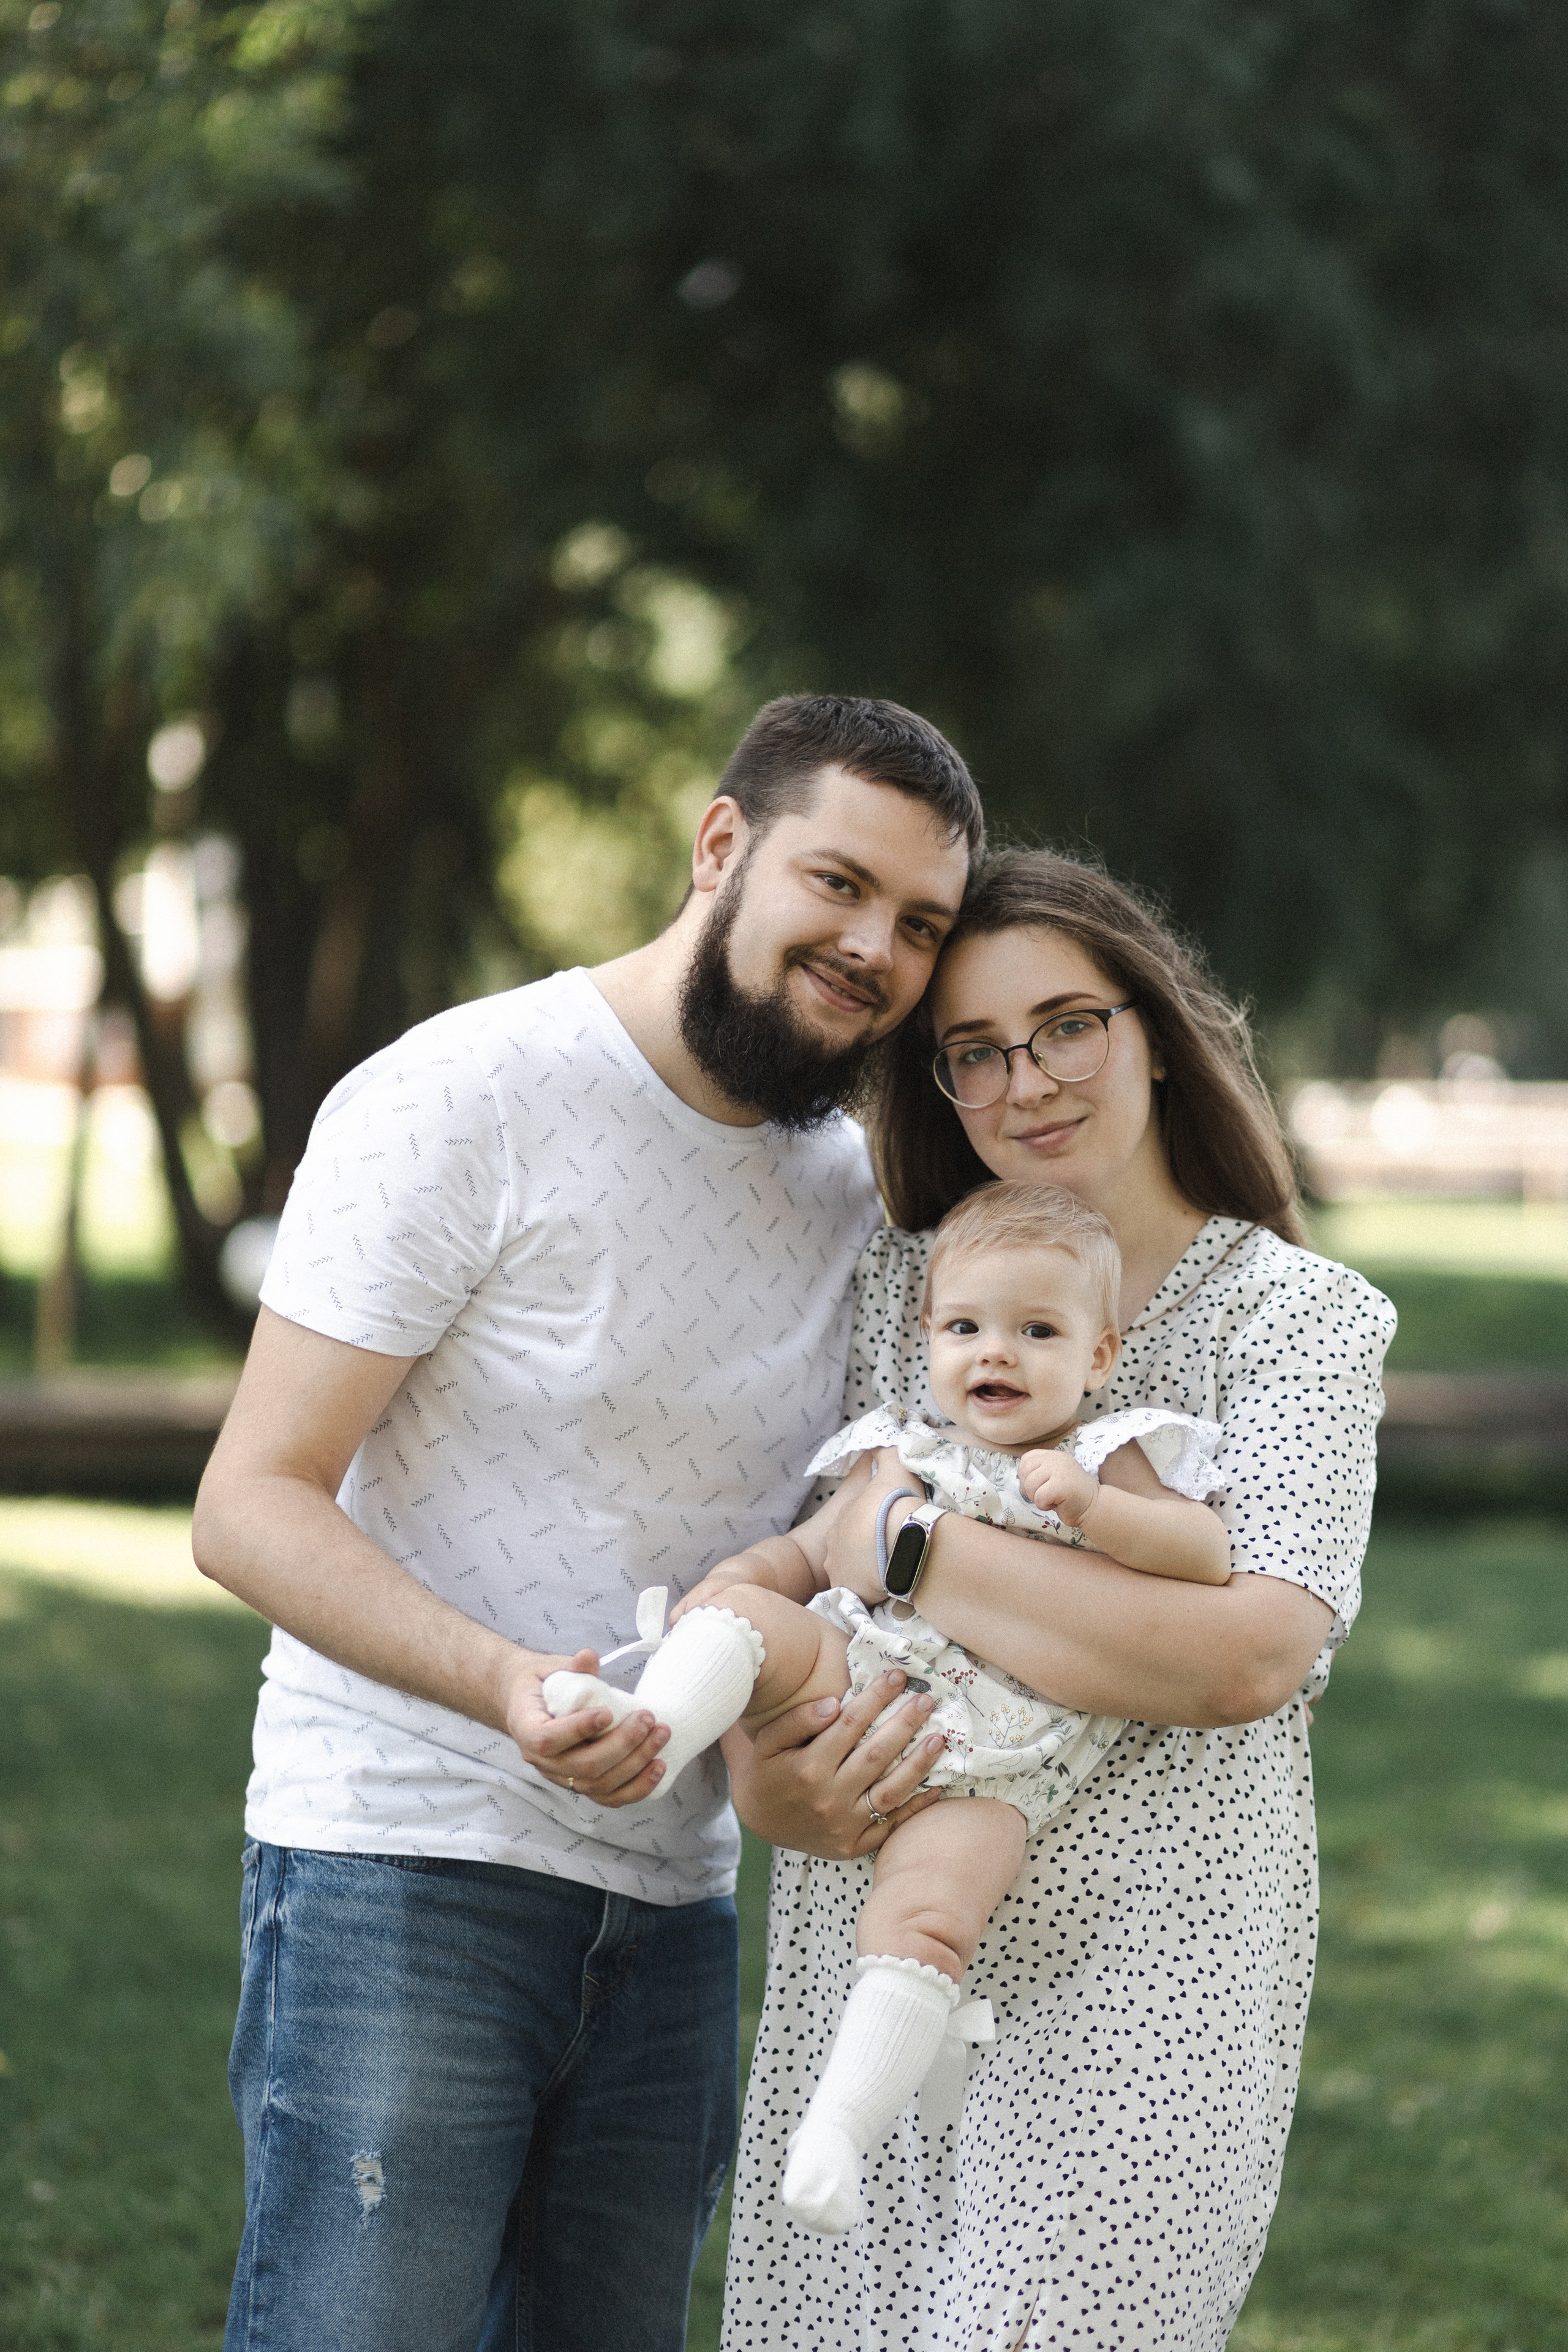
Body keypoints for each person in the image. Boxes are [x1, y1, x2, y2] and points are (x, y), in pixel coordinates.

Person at [191, 693, 982, 2352]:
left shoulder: (853, 1188)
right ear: (720, 846)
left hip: (672, 1906)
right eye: (836, 884)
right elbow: (248, 1504)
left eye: (918, 924)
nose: (874, 949)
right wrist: (503, 1685)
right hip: (404, 1861)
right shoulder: (466, 1092)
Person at [720, 849, 1396, 2352]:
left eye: (1067, 1024)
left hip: (1147, 1990)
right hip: (875, 1956)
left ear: (1152, 1027)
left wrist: (904, 1543)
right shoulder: (910, 1291)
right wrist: (772, 1776)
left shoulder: (1295, 1321)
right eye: (972, 1051)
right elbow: (801, 1616)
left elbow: (1247, 1652)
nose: (1026, 1079)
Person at [543, 1180, 1231, 2238]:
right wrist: (745, 1573)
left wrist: (1098, 1511)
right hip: (863, 1666)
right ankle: (652, 1724)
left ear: (1099, 1357)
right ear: (926, 1337)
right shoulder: (899, 1449)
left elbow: (1208, 1552)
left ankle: (839, 2128)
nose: (995, 1353)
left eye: (1037, 1331)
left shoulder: (1105, 1452)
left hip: (1002, 1750)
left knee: (929, 1922)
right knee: (749, 1620)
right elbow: (814, 1552)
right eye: (967, 1327)